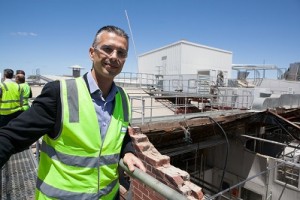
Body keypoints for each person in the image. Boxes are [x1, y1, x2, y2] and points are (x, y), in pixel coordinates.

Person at [0, 25, 146, 200]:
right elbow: (9, 138)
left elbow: (120, 133)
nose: (114, 56)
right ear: (92, 53)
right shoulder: (60, 93)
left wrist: (128, 151)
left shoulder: (122, 98)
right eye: (107, 49)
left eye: (121, 53)